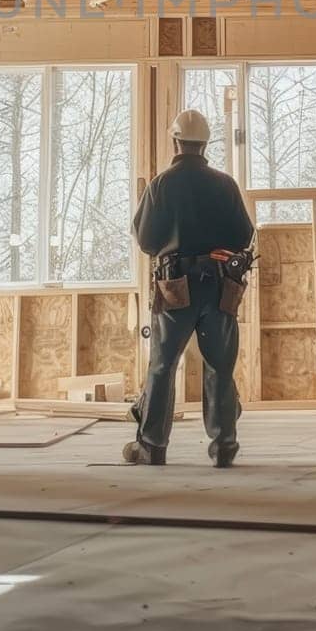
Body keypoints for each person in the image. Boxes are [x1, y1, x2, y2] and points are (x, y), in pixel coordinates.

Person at [125, 108, 254, 468]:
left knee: (163, 365)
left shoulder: (162, 185)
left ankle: (152, 446)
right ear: (204, 144)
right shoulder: (224, 184)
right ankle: (224, 446)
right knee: (220, 365)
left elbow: (147, 240)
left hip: (175, 287)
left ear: (175, 141)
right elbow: (244, 236)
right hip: (218, 285)